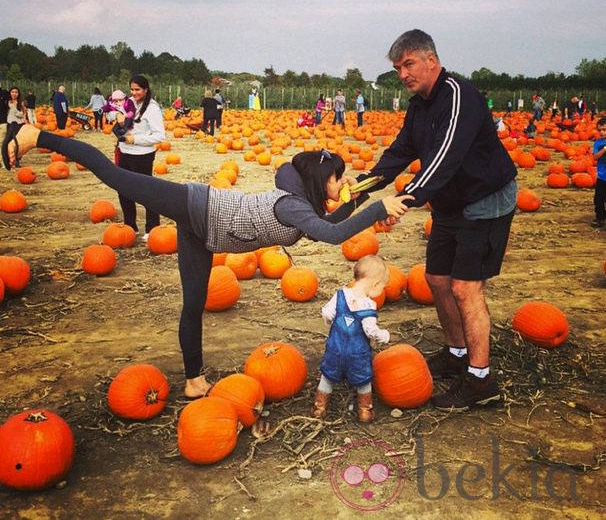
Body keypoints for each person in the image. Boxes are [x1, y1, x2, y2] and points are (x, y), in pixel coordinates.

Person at [4, 127, 409, 400]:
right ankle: (37, 135)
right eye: (337, 179)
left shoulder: (302, 207)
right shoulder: (292, 207)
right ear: (320, 181)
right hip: (195, 204)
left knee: (194, 302)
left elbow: (328, 225)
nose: (340, 185)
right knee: (113, 175)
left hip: (204, 231)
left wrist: (360, 201)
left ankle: (195, 381)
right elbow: (334, 235)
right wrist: (375, 210)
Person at [359, 29, 518, 411]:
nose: (403, 73)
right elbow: (401, 150)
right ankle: (456, 352)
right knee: (436, 279)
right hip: (450, 202)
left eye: (408, 64)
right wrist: (362, 186)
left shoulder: (459, 96)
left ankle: (481, 382)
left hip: (484, 199)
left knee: (465, 287)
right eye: (398, 68)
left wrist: (402, 200)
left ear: (431, 59)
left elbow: (444, 158)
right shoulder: (419, 105)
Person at [312, 255, 390, 423]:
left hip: (335, 349)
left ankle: (319, 408)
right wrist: (384, 336)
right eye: (383, 287)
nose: (382, 291)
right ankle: (364, 411)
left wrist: (331, 323)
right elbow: (371, 331)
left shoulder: (340, 295)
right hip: (357, 353)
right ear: (375, 284)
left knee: (327, 376)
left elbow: (327, 312)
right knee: (363, 379)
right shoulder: (368, 305)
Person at [114, 75, 165, 240]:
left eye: (137, 90)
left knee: (146, 192)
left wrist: (136, 139)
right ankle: (130, 226)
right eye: (132, 89)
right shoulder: (128, 102)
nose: (134, 93)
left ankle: (152, 227)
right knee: (123, 190)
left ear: (145, 90)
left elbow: (159, 136)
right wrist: (117, 118)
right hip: (124, 152)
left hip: (142, 155)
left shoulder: (152, 108)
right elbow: (113, 113)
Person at [1, 87, 29, 168]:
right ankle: (7, 160)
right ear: (10, 93)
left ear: (18, 94)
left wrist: (14, 107)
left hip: (19, 124)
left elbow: (23, 114)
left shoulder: (21, 103)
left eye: (16, 92)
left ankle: (17, 159)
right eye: (12, 92)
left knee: (17, 143)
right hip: (10, 123)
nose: (14, 94)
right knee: (7, 142)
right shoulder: (6, 102)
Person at [590, 117, 606, 228]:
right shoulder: (597, 143)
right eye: (600, 130)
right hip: (601, 177)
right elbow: (595, 157)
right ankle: (600, 218)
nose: (602, 132)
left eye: (604, 130)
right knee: (598, 199)